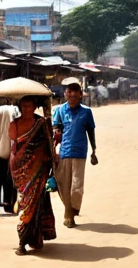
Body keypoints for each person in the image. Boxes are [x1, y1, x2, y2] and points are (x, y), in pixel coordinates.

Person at [9, 96, 56, 255]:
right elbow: (14, 145)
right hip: (21, 171)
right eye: (23, 106)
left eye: (29, 106)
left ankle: (26, 242)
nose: (26, 109)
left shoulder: (42, 123)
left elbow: (50, 146)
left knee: (34, 205)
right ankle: (25, 239)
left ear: (35, 106)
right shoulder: (14, 124)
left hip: (39, 170)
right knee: (25, 203)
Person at [51, 77, 98, 228]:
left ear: (80, 95)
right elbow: (56, 132)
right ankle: (68, 214)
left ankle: (72, 210)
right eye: (69, 92)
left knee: (76, 187)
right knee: (64, 185)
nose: (72, 95)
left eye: (75, 92)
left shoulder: (86, 112)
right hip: (64, 152)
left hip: (79, 152)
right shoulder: (59, 110)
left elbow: (91, 131)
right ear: (65, 93)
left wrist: (94, 150)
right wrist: (53, 149)